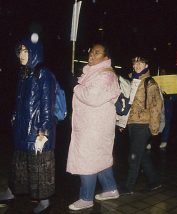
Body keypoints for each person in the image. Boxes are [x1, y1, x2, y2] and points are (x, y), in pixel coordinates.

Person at [67, 43, 121, 211]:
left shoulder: (105, 76)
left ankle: (86, 198)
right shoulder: (95, 72)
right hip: (94, 125)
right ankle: (110, 189)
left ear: (106, 58)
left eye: (97, 52)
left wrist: (74, 86)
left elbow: (92, 97)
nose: (91, 54)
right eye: (91, 51)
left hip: (94, 127)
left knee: (88, 159)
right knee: (100, 157)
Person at [10, 38, 57, 213]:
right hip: (22, 129)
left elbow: (47, 105)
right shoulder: (24, 73)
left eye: (26, 51)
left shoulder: (43, 73)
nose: (22, 55)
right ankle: (12, 190)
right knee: (20, 164)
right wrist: (14, 117)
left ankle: (44, 201)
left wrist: (43, 131)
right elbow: (19, 101)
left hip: (37, 130)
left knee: (40, 168)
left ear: (35, 52)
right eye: (20, 51)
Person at [122, 56, 163, 194]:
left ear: (146, 65)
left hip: (144, 124)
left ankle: (128, 187)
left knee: (133, 156)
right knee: (141, 154)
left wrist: (154, 128)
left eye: (141, 63)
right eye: (135, 63)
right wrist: (122, 121)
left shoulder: (150, 83)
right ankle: (155, 181)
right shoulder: (131, 81)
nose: (137, 65)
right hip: (132, 123)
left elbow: (156, 106)